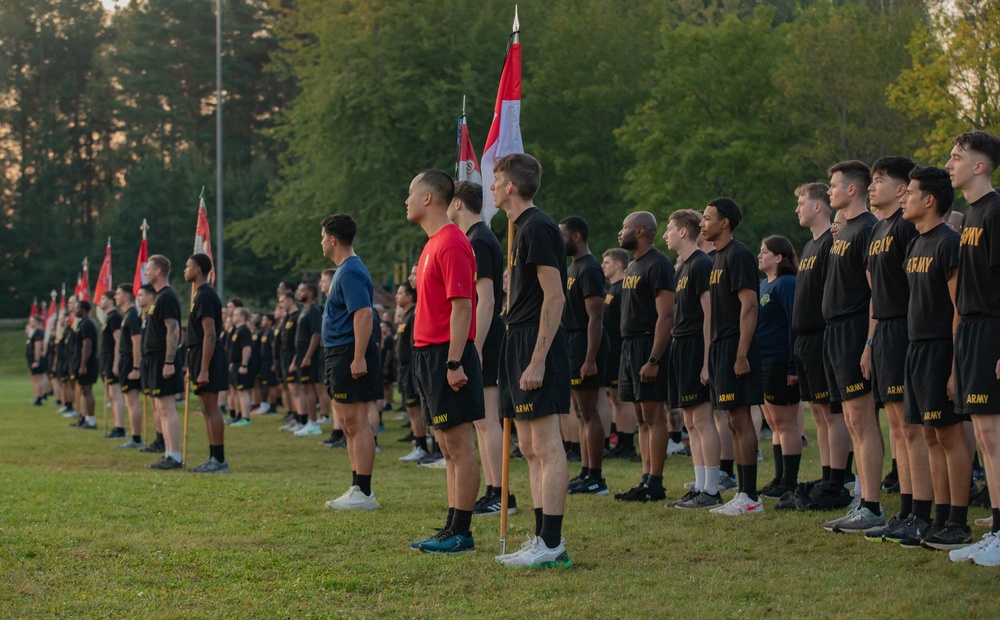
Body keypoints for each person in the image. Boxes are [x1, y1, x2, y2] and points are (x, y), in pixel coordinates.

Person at [491, 153, 572, 568]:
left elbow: (555, 296)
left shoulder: (537, 226)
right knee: (528, 446)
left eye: (496, 179)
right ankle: (540, 537)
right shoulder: (519, 228)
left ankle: (553, 544)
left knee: (545, 443)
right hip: (516, 337)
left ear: (510, 187)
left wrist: (538, 359)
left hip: (536, 342)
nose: (490, 186)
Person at [404, 169, 485, 553]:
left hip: (446, 354)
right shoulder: (432, 243)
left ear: (427, 198)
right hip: (428, 353)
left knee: (459, 445)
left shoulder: (451, 241)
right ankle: (451, 525)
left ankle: (462, 532)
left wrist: (454, 363)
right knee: (446, 447)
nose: (405, 200)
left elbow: (463, 307)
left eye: (410, 193)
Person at [892, 165, 969, 549]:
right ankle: (938, 519)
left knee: (950, 436)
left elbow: (959, 309)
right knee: (929, 435)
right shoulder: (914, 243)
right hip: (915, 348)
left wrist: (956, 367)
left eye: (911, 193)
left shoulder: (948, 242)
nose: (903, 198)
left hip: (941, 348)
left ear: (929, 200)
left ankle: (959, 521)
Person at [859, 156, 932, 543]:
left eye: (880, 180)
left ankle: (922, 512)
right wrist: (870, 343)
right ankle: (904, 510)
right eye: (869, 180)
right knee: (896, 428)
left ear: (902, 189)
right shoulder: (877, 230)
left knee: (911, 428)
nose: (871, 187)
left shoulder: (906, 227)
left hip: (907, 329)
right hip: (883, 332)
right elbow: (876, 295)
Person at [944, 130, 1000, 566]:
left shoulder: (996, 210)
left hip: (991, 332)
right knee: (983, 434)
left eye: (957, 157)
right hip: (972, 334)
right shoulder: (969, 216)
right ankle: (995, 530)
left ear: (979, 166)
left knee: (995, 437)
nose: (950, 164)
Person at [820, 161, 885, 533]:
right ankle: (863, 498)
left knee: (862, 419)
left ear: (852, 190)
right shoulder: (842, 231)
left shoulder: (868, 230)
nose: (829, 191)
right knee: (850, 420)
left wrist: (868, 342)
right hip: (834, 331)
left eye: (834, 185)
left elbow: (877, 291)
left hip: (854, 330)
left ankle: (872, 505)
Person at [447, 180, 516, 516]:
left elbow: (485, 299)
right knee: (481, 420)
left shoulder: (478, 239)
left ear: (458, 203)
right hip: (481, 336)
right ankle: (493, 489)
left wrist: (474, 344)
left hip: (484, 337)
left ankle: (501, 493)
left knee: (488, 419)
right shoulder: (473, 238)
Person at [787, 183, 853, 511]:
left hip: (825, 334)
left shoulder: (831, 241)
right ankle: (827, 476)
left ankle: (837, 481)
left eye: (801, 203)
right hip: (806, 340)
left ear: (818, 206)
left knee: (832, 411)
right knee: (817, 411)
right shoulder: (811, 245)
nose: (797, 209)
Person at [701, 198, 765, 516]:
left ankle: (750, 496)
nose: (703, 222)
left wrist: (741, 353)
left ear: (724, 222)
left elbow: (749, 306)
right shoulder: (718, 257)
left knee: (740, 419)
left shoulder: (738, 255)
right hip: (720, 347)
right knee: (731, 420)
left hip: (735, 347)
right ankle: (743, 492)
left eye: (708, 217)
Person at [321, 213, 382, 511]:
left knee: (356, 422)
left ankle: (365, 491)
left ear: (333, 239)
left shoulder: (350, 272)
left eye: (322, 236)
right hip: (339, 352)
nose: (321, 242)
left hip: (349, 352)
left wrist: (358, 357)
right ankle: (356, 485)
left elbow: (364, 314)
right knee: (347, 424)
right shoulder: (344, 271)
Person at [614, 211, 675, 503]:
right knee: (640, 417)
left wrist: (653, 359)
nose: (620, 232)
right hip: (629, 347)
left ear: (639, 231)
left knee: (653, 415)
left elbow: (666, 316)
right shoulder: (634, 266)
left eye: (624, 227)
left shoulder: (659, 264)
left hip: (647, 345)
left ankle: (656, 483)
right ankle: (645, 478)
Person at [664, 209, 721, 509]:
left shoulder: (701, 263)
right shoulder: (682, 267)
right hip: (680, 344)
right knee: (690, 420)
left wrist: (706, 359)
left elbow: (709, 312)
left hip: (696, 346)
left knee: (702, 417)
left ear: (684, 231)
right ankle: (700, 486)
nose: (665, 235)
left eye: (669, 229)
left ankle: (712, 490)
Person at [560, 215, 611, 496]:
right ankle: (585, 470)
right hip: (572, 342)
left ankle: (596, 477)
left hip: (585, 342)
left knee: (589, 411)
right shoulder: (573, 267)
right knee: (580, 412)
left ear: (577, 236)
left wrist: (590, 359)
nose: (560, 240)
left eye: (563, 234)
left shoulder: (590, 267)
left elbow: (596, 318)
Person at [755, 236, 801, 498]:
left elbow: (794, 325)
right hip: (763, 360)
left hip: (780, 361)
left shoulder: (787, 284)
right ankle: (778, 479)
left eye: (765, 252)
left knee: (786, 424)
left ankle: (790, 481)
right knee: (773, 424)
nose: (759, 255)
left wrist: (792, 366)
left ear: (779, 257)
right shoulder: (763, 285)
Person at [182, 253, 231, 472]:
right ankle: (213, 456)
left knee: (211, 407)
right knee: (205, 408)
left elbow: (209, 335)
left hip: (207, 356)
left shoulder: (204, 295)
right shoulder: (199, 294)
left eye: (188, 266)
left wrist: (203, 369)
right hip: (198, 354)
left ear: (198, 269)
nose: (185, 270)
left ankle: (219, 460)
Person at [142, 255, 185, 470]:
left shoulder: (166, 296)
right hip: (154, 358)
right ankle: (168, 453)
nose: (146, 272)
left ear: (158, 271)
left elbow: (173, 330)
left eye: (148, 269)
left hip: (163, 358)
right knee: (160, 408)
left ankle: (175, 456)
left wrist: (169, 361)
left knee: (167, 408)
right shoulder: (158, 298)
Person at [601, 248, 637, 461]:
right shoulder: (611, 288)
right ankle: (621, 441)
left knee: (623, 400)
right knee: (615, 398)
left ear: (618, 265)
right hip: (611, 349)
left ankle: (627, 443)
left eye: (607, 262)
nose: (603, 265)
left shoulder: (623, 288)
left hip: (620, 348)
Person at [394, 282, 429, 462]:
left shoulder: (414, 315)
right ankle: (419, 443)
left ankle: (422, 445)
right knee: (410, 407)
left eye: (400, 293)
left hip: (411, 367)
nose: (396, 296)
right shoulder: (405, 315)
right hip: (404, 368)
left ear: (409, 297)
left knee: (415, 407)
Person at [290, 282, 325, 436]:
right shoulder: (303, 310)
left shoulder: (313, 311)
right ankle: (310, 422)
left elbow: (316, 334)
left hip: (309, 356)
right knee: (305, 388)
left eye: (301, 290)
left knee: (310, 388)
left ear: (310, 294)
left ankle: (314, 424)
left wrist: (308, 356)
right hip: (302, 354)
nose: (298, 292)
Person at [114, 284, 144, 449]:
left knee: (132, 400)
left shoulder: (132, 316)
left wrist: (136, 367)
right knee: (128, 400)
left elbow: (137, 342)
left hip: (131, 362)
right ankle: (135, 437)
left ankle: (136, 438)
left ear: (126, 297)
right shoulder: (126, 315)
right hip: (126, 361)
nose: (115, 297)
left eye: (118, 294)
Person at [98, 292, 126, 438]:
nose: (100, 300)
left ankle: (120, 427)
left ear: (110, 301)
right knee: (111, 394)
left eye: (103, 298)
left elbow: (118, 341)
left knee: (116, 394)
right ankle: (117, 426)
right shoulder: (108, 318)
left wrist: (116, 362)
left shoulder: (114, 317)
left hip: (111, 359)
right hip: (105, 359)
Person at [73, 300, 100, 430]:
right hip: (83, 361)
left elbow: (87, 346)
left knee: (87, 391)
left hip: (88, 363)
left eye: (77, 308)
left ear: (83, 309)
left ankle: (91, 420)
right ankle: (86, 418)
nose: (74, 310)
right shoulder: (82, 323)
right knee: (84, 391)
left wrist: (83, 365)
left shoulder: (87, 324)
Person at [227, 307, 256, 427]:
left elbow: (247, 348)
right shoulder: (237, 330)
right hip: (236, 364)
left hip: (241, 365)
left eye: (236, 315)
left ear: (242, 317)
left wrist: (244, 364)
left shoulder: (244, 330)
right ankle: (239, 415)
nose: (233, 317)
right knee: (237, 392)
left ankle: (246, 418)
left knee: (243, 392)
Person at [26, 315, 47, 405]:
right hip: (34, 358)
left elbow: (38, 346)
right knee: (37, 378)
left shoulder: (38, 332)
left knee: (38, 378)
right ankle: (40, 395)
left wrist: (36, 360)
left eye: (32, 321)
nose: (30, 323)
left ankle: (39, 397)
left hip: (36, 359)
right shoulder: (38, 332)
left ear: (37, 322)